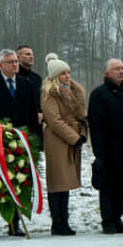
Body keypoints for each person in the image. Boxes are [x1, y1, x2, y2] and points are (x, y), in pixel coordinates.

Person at [0, 48, 42, 236]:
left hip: (20, 142)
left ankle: (14, 224)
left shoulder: (26, 84)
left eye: (16, 62)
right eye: (11, 62)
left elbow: (32, 114)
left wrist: (34, 141)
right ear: (0, 65)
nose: (15, 65)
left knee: (17, 182)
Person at [40, 54, 89, 236]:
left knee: (66, 181)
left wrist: (82, 134)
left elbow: (81, 115)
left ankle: (64, 220)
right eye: (63, 74)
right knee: (57, 181)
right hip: (57, 139)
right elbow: (54, 120)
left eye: (68, 72)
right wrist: (74, 138)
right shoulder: (49, 93)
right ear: (55, 76)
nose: (67, 76)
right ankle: (57, 222)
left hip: (72, 137)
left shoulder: (74, 92)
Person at [87, 58, 123, 234]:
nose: (121, 71)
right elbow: (95, 124)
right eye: (117, 69)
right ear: (107, 74)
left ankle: (118, 218)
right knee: (108, 186)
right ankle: (107, 220)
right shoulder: (99, 94)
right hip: (108, 149)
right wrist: (99, 151)